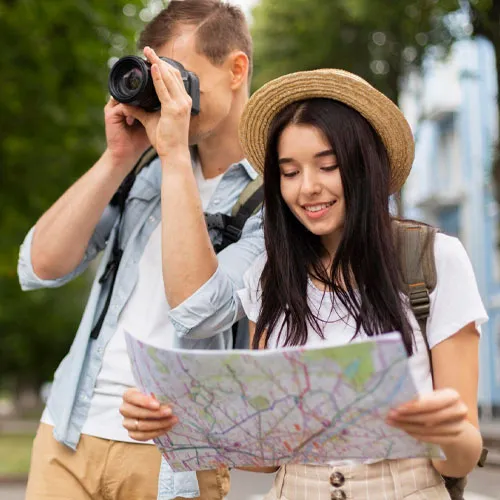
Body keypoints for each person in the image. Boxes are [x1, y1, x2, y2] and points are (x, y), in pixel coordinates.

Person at [17, 1, 263, 499]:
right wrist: (118, 157)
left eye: (182, 80)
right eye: (159, 80)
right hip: (68, 429)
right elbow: (40, 266)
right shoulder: (143, 170)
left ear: (237, 69)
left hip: (175, 455)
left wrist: (173, 154)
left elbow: (198, 312)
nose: (168, 97)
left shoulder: (273, 198)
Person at [232, 69, 487, 499]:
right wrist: (188, 425)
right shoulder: (266, 276)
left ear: (364, 165)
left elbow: (461, 456)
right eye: (289, 172)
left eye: (327, 166)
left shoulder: (434, 259)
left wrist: (444, 431)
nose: (308, 188)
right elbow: (267, 455)